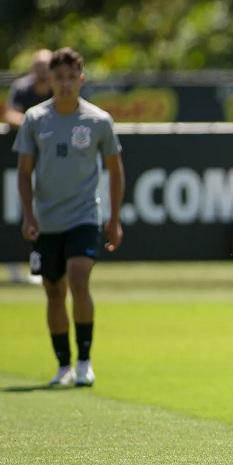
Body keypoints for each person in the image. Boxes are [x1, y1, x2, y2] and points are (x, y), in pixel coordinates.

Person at [14, 47, 125, 387]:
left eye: (70, 77)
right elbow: (24, 172)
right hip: (48, 220)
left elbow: (115, 170)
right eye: (58, 78)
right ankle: (63, 365)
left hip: (84, 216)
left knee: (79, 278)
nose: (64, 84)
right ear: (50, 81)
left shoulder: (98, 121)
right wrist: (29, 215)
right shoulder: (35, 119)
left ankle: (85, 361)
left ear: (82, 79)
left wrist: (114, 218)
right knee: (53, 289)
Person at [3, 49, 54, 284]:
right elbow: (9, 114)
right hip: (21, 163)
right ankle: (14, 265)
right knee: (19, 212)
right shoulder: (23, 88)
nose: (43, 71)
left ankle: (45, 264)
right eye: (39, 66)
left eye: (47, 65)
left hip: (52, 166)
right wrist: (35, 125)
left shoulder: (60, 88)